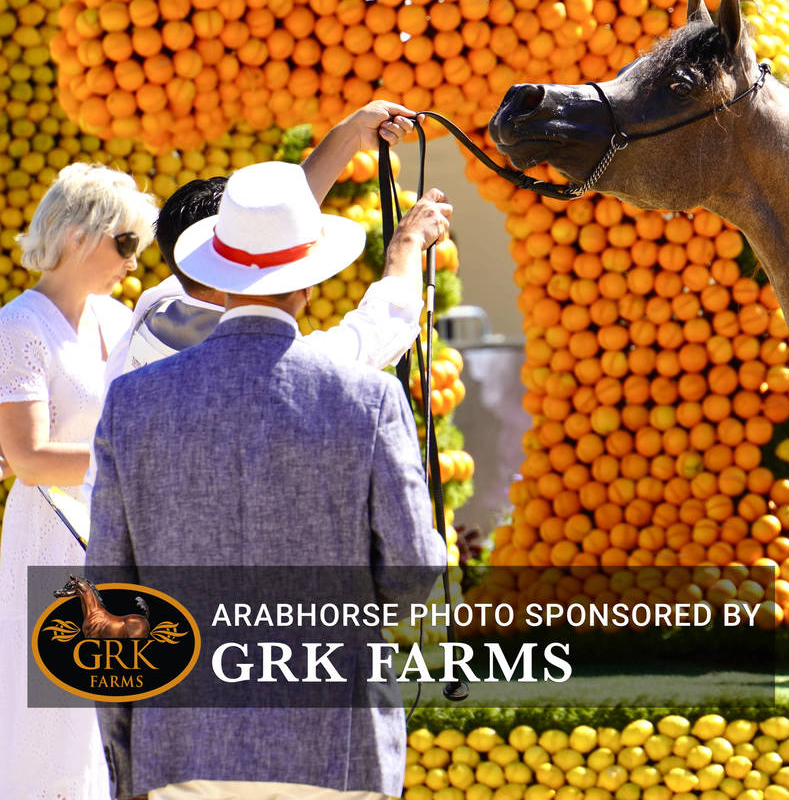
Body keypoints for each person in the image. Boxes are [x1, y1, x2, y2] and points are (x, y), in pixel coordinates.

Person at [88, 160, 445, 799]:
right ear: (309, 283)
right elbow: (414, 567)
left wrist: (126, 759)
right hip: (333, 738)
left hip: (181, 741)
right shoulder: (368, 398)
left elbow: (108, 596)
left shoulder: (134, 402)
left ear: (220, 277)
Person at [0, 162, 157, 800]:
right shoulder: (18, 326)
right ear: (77, 235)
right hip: (50, 538)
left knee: (113, 723)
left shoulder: (120, 322)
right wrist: (132, 457)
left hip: (119, 537)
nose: (133, 259)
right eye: (126, 241)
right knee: (54, 726)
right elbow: (28, 457)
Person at [106, 101, 452, 379]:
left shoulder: (156, 305)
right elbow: (381, 328)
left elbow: (276, 226)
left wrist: (349, 135)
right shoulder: (281, 363)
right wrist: (406, 243)